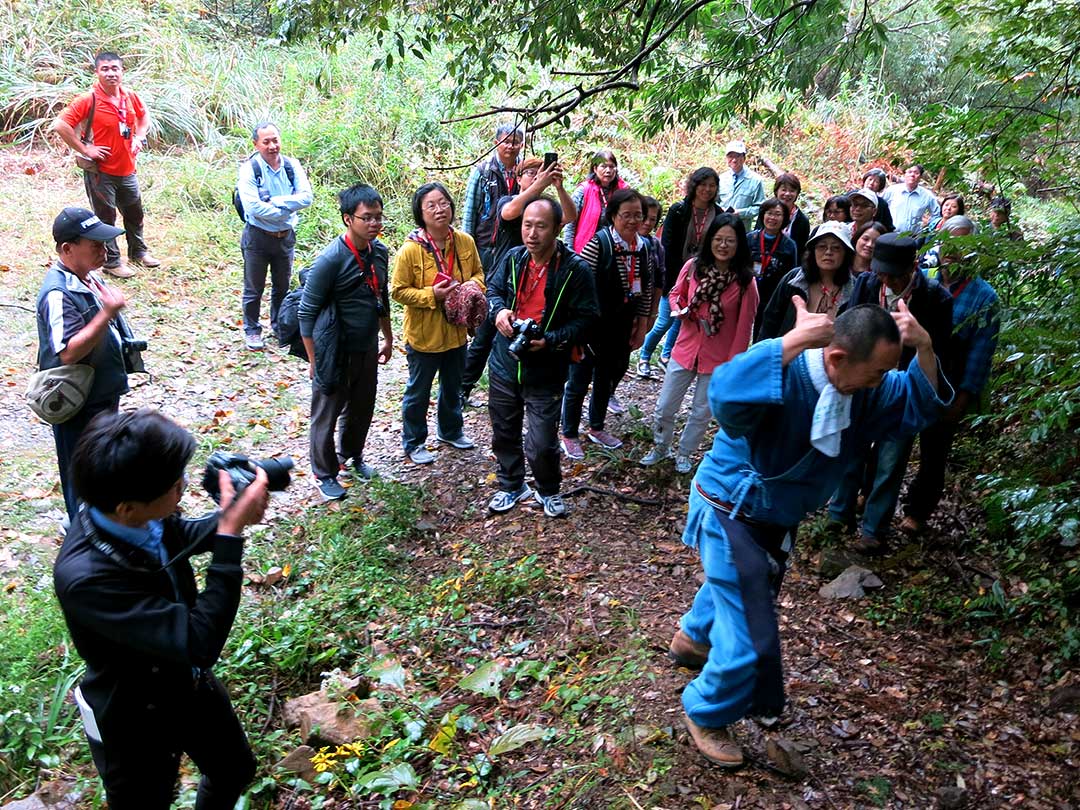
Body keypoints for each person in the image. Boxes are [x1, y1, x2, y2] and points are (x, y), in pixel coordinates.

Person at [669, 300, 953, 767]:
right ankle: (706, 712)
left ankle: (692, 639)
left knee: (744, 586)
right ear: (839, 359)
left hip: (776, 517)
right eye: (879, 371)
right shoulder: (786, 372)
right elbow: (725, 396)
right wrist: (792, 340)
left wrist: (923, 346)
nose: (884, 379)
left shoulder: (869, 390)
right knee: (750, 636)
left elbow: (918, 403)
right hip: (731, 511)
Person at [53, 408, 270, 809]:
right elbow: (198, 640)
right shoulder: (86, 579)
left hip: (185, 683)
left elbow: (174, 533)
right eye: (174, 486)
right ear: (126, 508)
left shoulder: (122, 512)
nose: (183, 490)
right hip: (133, 714)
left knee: (233, 768)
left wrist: (225, 516)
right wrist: (228, 538)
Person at [827, 234, 954, 552]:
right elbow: (849, 324)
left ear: (912, 266)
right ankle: (838, 515)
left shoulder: (935, 298)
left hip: (902, 388)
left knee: (891, 459)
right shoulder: (867, 285)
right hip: (861, 378)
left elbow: (942, 351)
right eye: (881, 271)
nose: (886, 279)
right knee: (850, 446)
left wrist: (920, 340)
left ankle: (874, 529)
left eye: (893, 273)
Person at [485, 197, 599, 517]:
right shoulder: (513, 258)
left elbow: (588, 319)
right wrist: (499, 313)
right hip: (505, 362)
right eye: (527, 225)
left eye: (541, 226)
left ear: (558, 228)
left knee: (541, 441)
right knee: (504, 431)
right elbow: (492, 291)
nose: (532, 233)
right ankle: (511, 485)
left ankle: (548, 489)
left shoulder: (574, 270)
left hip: (546, 367)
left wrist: (550, 340)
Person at [640, 215, 758, 474]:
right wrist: (678, 309)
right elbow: (675, 293)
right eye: (718, 239)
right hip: (685, 348)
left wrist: (733, 365)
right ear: (709, 240)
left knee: (701, 412)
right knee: (664, 406)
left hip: (718, 357)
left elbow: (744, 326)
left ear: (739, 244)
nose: (723, 245)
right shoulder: (694, 267)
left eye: (730, 240)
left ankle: (685, 452)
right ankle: (661, 447)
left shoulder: (745, 281)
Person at [902, 224, 1000, 534]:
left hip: (950, 381)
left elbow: (980, 354)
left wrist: (964, 395)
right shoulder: (925, 281)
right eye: (948, 246)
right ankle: (871, 495)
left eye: (961, 247)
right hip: (911, 374)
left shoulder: (985, 297)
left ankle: (917, 511)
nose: (953, 254)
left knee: (934, 451)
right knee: (894, 440)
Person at [298, 184, 393, 501]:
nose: (374, 224)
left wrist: (387, 337)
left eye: (378, 217)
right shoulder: (331, 259)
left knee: (362, 407)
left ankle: (351, 456)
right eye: (366, 218)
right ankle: (323, 473)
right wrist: (314, 360)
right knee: (326, 411)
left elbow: (382, 298)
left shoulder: (379, 252)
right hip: (334, 349)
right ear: (347, 219)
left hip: (366, 346)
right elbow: (306, 312)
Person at [461, 155, 576, 408]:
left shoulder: (546, 209)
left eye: (540, 172)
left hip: (534, 284)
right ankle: (462, 390)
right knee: (482, 342)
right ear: (518, 177)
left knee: (525, 338)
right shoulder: (510, 200)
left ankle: (516, 393)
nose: (536, 177)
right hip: (504, 282)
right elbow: (508, 212)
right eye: (530, 173)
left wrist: (557, 186)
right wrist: (540, 184)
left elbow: (569, 215)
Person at [36, 207, 130, 519]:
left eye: (104, 245)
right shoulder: (57, 292)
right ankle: (81, 530)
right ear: (67, 249)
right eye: (95, 246)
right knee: (81, 469)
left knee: (101, 463)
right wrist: (106, 313)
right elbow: (67, 352)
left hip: (98, 394)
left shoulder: (85, 279)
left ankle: (100, 521)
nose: (104, 251)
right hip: (77, 403)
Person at [391, 182, 485, 464]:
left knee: (452, 385)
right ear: (421, 213)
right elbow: (397, 290)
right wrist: (433, 295)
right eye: (430, 205)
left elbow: (479, 273)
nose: (439, 209)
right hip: (424, 335)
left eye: (443, 202)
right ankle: (414, 441)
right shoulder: (410, 250)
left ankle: (450, 430)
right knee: (418, 391)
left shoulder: (464, 241)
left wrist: (469, 288)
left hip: (456, 331)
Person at [560, 189, 655, 458]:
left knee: (607, 376)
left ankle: (597, 426)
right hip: (592, 325)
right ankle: (569, 433)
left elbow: (646, 289)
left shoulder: (644, 246)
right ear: (613, 216)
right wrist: (577, 328)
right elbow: (579, 286)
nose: (633, 221)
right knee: (578, 380)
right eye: (627, 215)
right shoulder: (599, 244)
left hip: (622, 324)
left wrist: (642, 323)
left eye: (638, 215)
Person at [52, 51, 160, 277]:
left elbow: (144, 116)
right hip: (101, 172)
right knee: (105, 218)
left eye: (115, 69)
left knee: (135, 212)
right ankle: (112, 262)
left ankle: (138, 252)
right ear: (97, 72)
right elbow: (60, 125)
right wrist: (84, 149)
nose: (111, 73)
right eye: (105, 69)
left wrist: (139, 137)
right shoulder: (88, 99)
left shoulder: (129, 96)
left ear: (122, 71)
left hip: (128, 168)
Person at [237, 122, 313, 350]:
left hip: (285, 237)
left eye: (275, 140)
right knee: (254, 287)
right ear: (256, 144)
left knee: (282, 285)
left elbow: (307, 198)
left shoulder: (292, 165)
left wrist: (278, 203)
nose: (272, 146)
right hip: (257, 236)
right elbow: (253, 207)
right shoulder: (250, 169)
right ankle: (252, 330)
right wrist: (287, 211)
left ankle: (279, 327)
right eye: (266, 142)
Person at [641, 167, 722, 378]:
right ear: (694, 185)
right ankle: (644, 355)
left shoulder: (719, 214)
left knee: (684, 319)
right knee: (665, 320)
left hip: (702, 277)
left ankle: (666, 356)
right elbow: (666, 248)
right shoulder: (678, 211)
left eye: (712, 185)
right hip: (675, 275)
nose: (707, 189)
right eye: (703, 184)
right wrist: (671, 282)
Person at [758, 221, 855, 340]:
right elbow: (770, 321)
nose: (828, 252)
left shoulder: (854, 289)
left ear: (846, 253)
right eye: (822, 246)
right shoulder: (794, 279)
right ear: (813, 251)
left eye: (836, 248)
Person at [461, 122, 525, 271]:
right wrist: (466, 247)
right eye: (506, 141)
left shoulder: (526, 170)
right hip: (486, 245)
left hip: (516, 244)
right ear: (497, 143)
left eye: (514, 142)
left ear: (521, 145)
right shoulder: (483, 171)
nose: (510, 146)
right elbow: (470, 211)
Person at [747, 198, 798, 339]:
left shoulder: (789, 245)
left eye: (778, 214)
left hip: (772, 298)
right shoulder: (750, 239)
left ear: (784, 218)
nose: (772, 218)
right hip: (748, 293)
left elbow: (791, 276)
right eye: (769, 213)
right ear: (763, 214)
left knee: (762, 334)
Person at [563, 149, 628, 253]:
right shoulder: (583, 191)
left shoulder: (623, 191)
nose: (608, 170)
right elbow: (570, 223)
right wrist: (569, 253)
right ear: (595, 168)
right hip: (585, 251)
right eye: (603, 166)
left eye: (611, 166)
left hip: (614, 251)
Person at [717, 141, 765, 228]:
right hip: (721, 227)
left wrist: (741, 213)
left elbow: (760, 207)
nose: (734, 160)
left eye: (738, 156)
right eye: (731, 156)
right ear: (726, 158)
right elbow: (714, 202)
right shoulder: (721, 179)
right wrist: (721, 210)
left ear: (744, 158)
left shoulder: (755, 180)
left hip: (743, 229)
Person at [882, 164, 941, 235]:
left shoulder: (927, 196)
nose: (912, 175)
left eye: (916, 173)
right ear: (905, 174)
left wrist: (928, 227)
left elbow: (937, 214)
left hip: (913, 237)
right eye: (909, 172)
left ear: (920, 177)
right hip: (890, 234)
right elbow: (880, 206)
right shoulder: (892, 190)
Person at [774, 173, 810, 256]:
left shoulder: (802, 220)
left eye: (792, 191)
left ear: (797, 193)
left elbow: (801, 250)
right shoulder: (766, 212)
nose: (787, 194)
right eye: (784, 190)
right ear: (776, 191)